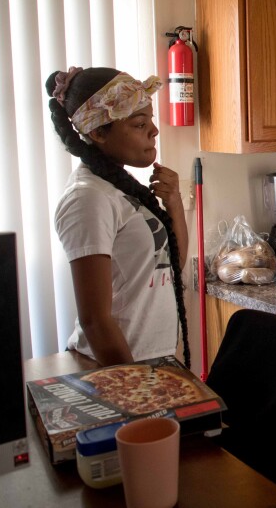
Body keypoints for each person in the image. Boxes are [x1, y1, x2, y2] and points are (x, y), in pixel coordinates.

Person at [45, 66, 190, 367]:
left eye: (150, 119)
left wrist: (174, 202)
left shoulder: (122, 188)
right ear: (98, 132)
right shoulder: (89, 198)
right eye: (139, 124)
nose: (154, 130)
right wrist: (131, 386)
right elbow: (94, 320)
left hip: (153, 362)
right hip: (117, 367)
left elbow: (171, 265)